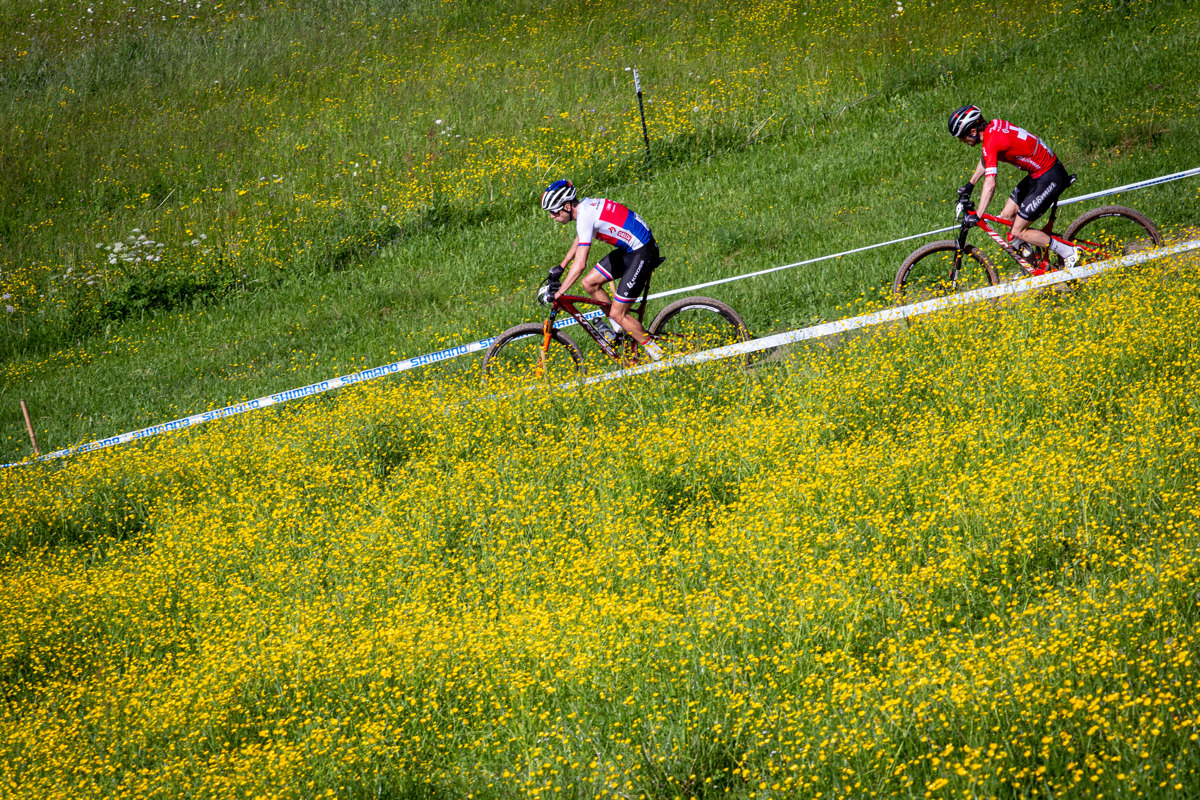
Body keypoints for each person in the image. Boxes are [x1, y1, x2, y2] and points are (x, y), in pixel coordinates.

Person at [540, 179, 665, 361]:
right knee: (589, 283)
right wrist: (562, 266)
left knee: (617, 312)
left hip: (643, 252)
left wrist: (560, 292)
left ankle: (660, 356)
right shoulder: (585, 208)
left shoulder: (585, 215)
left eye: (554, 211)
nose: (552, 216)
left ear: (567, 206)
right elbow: (582, 236)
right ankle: (620, 331)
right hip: (633, 249)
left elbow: (581, 264)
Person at [948, 105, 1080, 268]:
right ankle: (1035, 261)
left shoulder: (991, 141)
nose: (962, 141)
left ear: (973, 131)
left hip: (1049, 176)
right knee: (1006, 216)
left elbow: (990, 184)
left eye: (961, 137)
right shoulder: (993, 128)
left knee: (1018, 231)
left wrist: (978, 215)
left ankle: (1069, 253)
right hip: (1040, 173)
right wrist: (970, 184)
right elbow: (987, 156)